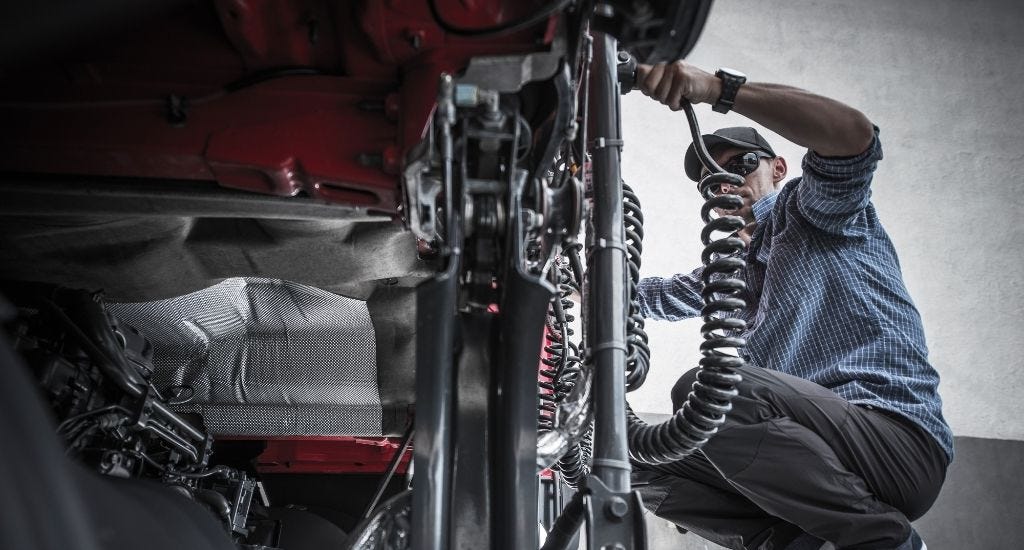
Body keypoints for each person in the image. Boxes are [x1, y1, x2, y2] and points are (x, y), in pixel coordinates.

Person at [628, 61, 952, 550]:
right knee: (637, 457)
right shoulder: (730, 271)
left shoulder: (813, 210)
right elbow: (652, 296)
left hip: (893, 442)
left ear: (777, 167)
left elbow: (853, 137)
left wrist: (717, 88)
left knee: (709, 391)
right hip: (808, 464)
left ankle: (885, 543)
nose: (722, 181)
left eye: (738, 165)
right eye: (708, 181)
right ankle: (794, 542)